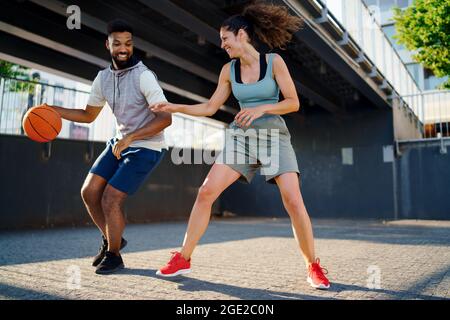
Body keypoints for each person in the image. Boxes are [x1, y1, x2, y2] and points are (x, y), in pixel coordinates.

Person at [151, 3, 330, 289]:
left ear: (242, 34)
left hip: (273, 137)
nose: (222, 44)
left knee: (294, 202)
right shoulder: (228, 70)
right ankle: (183, 258)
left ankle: (313, 266)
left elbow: (293, 102)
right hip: (241, 138)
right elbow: (210, 107)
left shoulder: (274, 63)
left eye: (225, 38)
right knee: (206, 191)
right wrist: (175, 107)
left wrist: (262, 110)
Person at [46, 19, 171, 274]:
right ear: (108, 45)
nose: (123, 48)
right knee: (89, 192)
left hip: (147, 146)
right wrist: (53, 111)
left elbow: (165, 119)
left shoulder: (144, 77)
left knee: (110, 199)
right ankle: (112, 237)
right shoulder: (103, 78)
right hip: (120, 142)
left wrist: (131, 138)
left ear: (132, 45)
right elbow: (88, 115)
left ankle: (114, 254)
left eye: (128, 43)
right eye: (117, 44)